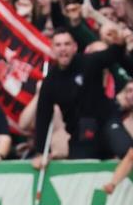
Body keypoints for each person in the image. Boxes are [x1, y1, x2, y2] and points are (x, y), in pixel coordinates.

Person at [32, 28, 126, 163]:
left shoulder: (88, 61)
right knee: (80, 166)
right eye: (58, 45)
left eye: (67, 44)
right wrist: (41, 152)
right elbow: (43, 116)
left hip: (106, 123)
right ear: (52, 49)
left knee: (125, 149)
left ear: (75, 47)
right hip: (80, 134)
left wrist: (119, 44)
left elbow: (111, 55)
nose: (63, 49)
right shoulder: (50, 82)